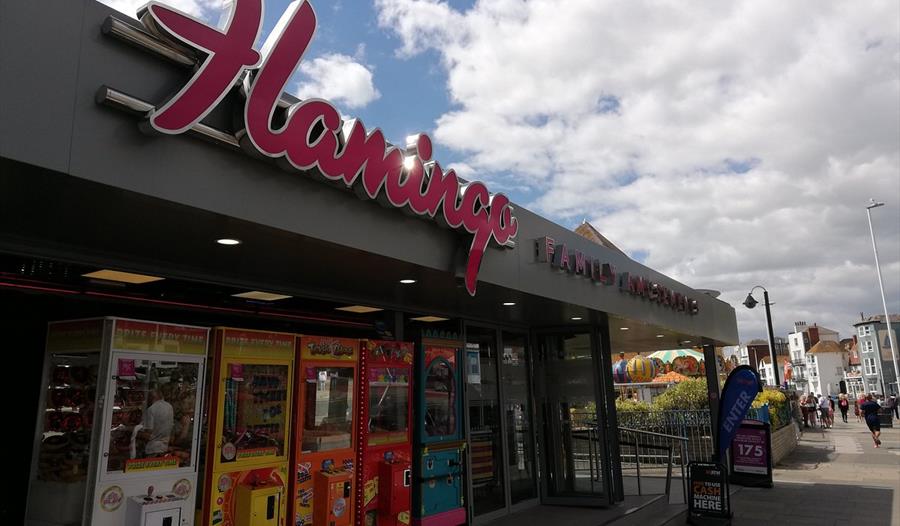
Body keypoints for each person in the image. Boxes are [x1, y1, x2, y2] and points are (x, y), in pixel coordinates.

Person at [140, 386, 174, 456]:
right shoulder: (169, 406)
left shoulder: (151, 409)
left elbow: (149, 432)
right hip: (164, 446)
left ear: (152, 397)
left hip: (153, 448)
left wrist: (134, 431)